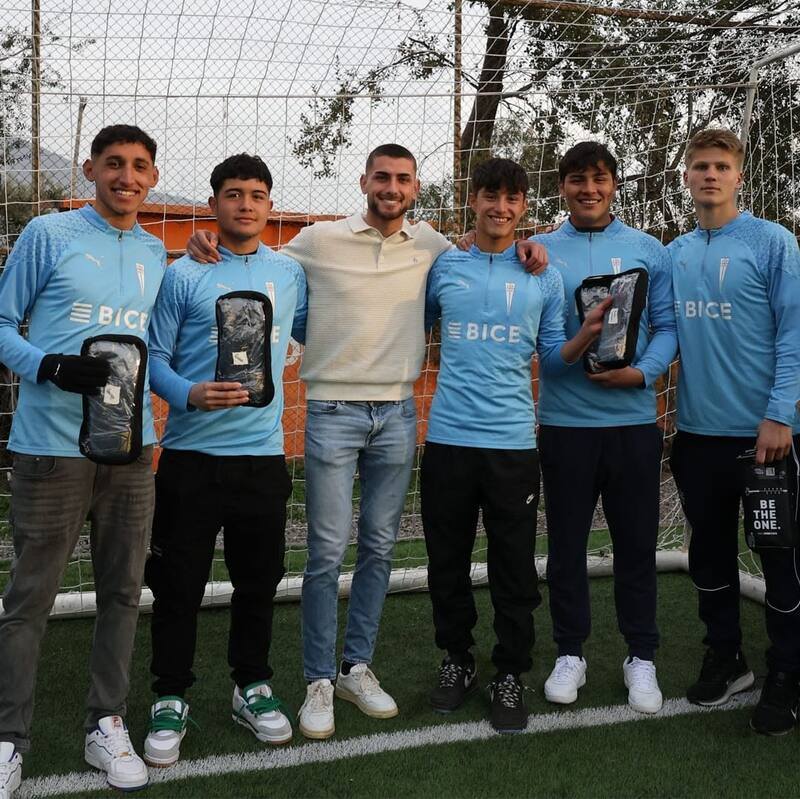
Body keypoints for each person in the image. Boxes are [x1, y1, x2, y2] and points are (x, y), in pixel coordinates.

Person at [185, 143, 548, 740]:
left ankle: (357, 667)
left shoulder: (433, 247)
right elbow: (260, 260)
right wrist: (207, 243)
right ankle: (318, 679)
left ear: (415, 188)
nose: (392, 187)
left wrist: (539, 244)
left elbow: (493, 253)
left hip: (399, 414)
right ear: (364, 181)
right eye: (382, 176)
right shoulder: (319, 241)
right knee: (328, 550)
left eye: (403, 179)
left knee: (380, 547)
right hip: (331, 410)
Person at [0, 125, 165, 796]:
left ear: (153, 177)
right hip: (50, 449)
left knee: (123, 591)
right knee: (30, 597)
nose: (127, 176)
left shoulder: (157, 250)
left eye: (140, 166)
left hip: (128, 451)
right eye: (115, 164)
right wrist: (49, 365)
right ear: (92, 169)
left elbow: (156, 348)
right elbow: (3, 326)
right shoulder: (50, 234)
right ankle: (9, 738)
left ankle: (106, 722)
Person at [423, 158, 610, 733]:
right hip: (448, 440)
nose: (500, 208)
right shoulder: (444, 266)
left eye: (511, 199)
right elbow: (420, 334)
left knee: (513, 568)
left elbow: (552, 359)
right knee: (447, 564)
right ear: (472, 200)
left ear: (525, 206)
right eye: (490, 196)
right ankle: (458, 660)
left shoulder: (542, 274)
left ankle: (509, 671)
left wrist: (587, 333)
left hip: (511, 445)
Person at [141, 154, 307, 766]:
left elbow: (317, 329)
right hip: (188, 457)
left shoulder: (290, 274)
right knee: (177, 584)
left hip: (262, 459)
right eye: (233, 193)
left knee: (257, 581)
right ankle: (169, 694)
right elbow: (153, 354)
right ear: (213, 203)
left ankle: (251, 685)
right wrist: (186, 392)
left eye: (257, 194)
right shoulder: (182, 273)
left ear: (269, 205)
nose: (245, 204)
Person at [531, 142, 677, 714]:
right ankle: (571, 653)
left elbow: (666, 326)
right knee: (565, 546)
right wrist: (580, 346)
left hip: (634, 425)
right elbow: (545, 354)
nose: (587, 189)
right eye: (576, 180)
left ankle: (641, 656)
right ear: (561, 186)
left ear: (615, 184)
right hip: (565, 426)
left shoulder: (647, 250)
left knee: (636, 545)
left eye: (598, 179)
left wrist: (643, 374)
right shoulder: (540, 252)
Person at [668, 128, 800, 735]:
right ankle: (728, 656)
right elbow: (666, 332)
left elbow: (794, 333)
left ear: (739, 176)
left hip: (763, 438)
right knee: (710, 555)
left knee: (779, 561)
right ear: (687, 177)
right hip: (696, 436)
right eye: (700, 166)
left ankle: (786, 671)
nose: (710, 175)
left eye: (721, 166)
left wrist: (780, 414)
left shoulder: (773, 244)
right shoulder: (676, 252)